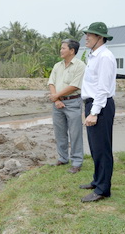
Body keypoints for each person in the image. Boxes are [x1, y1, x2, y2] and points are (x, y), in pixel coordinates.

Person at [79, 22, 117, 203]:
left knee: (102, 148)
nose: (87, 37)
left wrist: (94, 112)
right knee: (95, 147)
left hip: (100, 105)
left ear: (100, 38)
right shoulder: (94, 56)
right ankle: (97, 180)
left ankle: (103, 189)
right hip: (92, 104)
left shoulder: (105, 57)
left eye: (90, 35)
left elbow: (102, 88)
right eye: (87, 34)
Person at [48, 39, 86, 174]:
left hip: (73, 102)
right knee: (60, 132)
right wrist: (56, 99)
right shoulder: (57, 65)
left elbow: (74, 86)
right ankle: (63, 158)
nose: (61, 50)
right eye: (61, 48)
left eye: (63, 48)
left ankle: (76, 162)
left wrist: (56, 96)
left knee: (75, 133)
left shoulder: (80, 66)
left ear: (72, 50)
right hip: (57, 103)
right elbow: (51, 82)